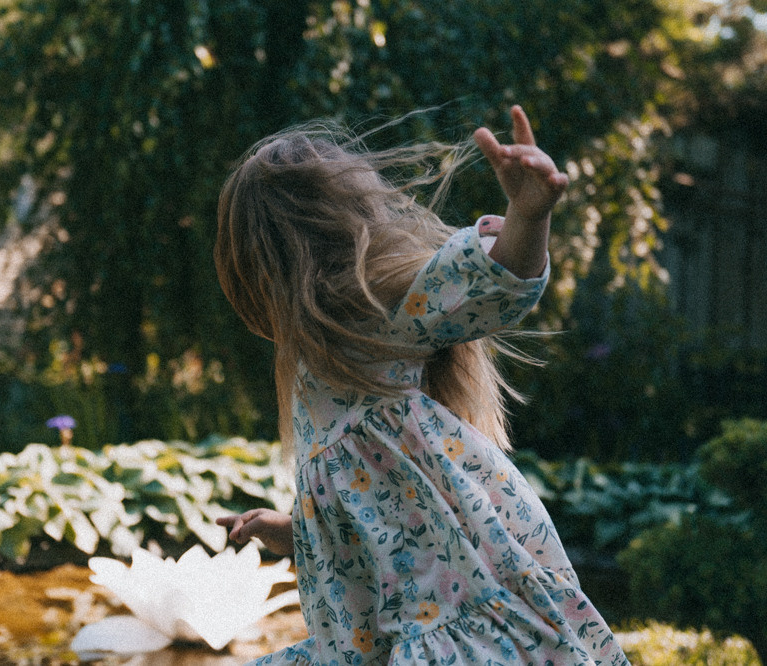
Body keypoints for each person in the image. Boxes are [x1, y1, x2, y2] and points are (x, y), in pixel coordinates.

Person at [214, 105, 628, 665]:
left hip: (443, 614)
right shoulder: (310, 356)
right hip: (378, 633)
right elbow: (364, 516)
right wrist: (295, 530)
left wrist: (529, 217)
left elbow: (485, 283)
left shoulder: (370, 306)